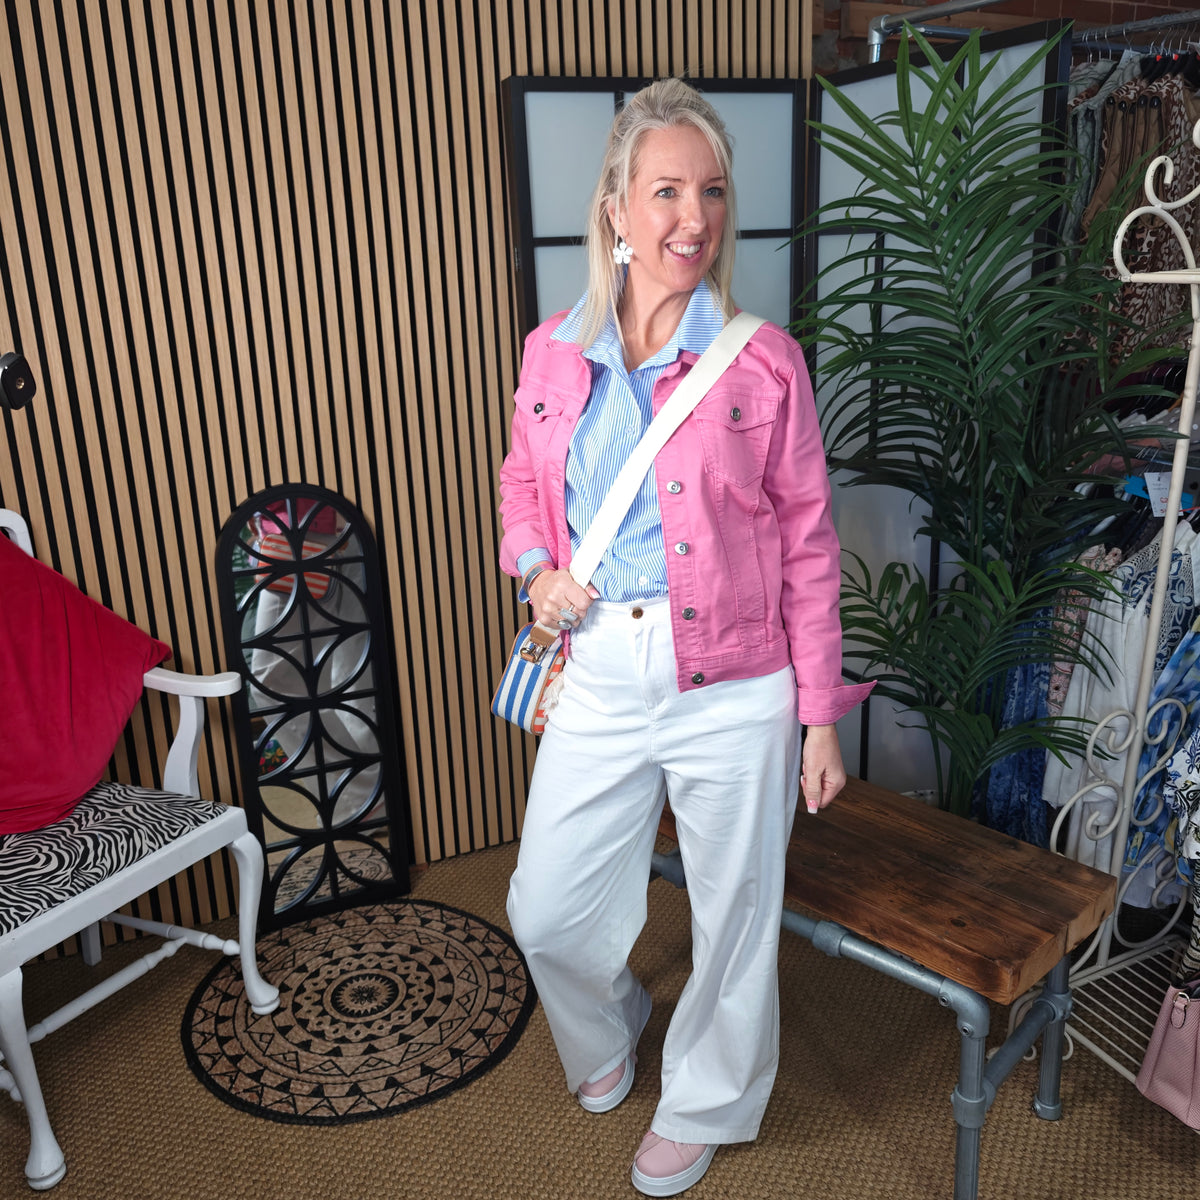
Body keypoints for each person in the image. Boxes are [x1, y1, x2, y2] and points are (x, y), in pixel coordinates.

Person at [497, 78, 873, 1197]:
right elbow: (522, 485)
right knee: (542, 908)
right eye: (664, 191)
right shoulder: (552, 353)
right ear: (616, 206)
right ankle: (609, 1020)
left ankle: (705, 1100)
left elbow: (810, 543)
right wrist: (536, 568)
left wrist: (819, 717)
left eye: (710, 192)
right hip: (601, 666)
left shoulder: (766, 361)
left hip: (738, 680)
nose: (691, 217)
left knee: (737, 911)